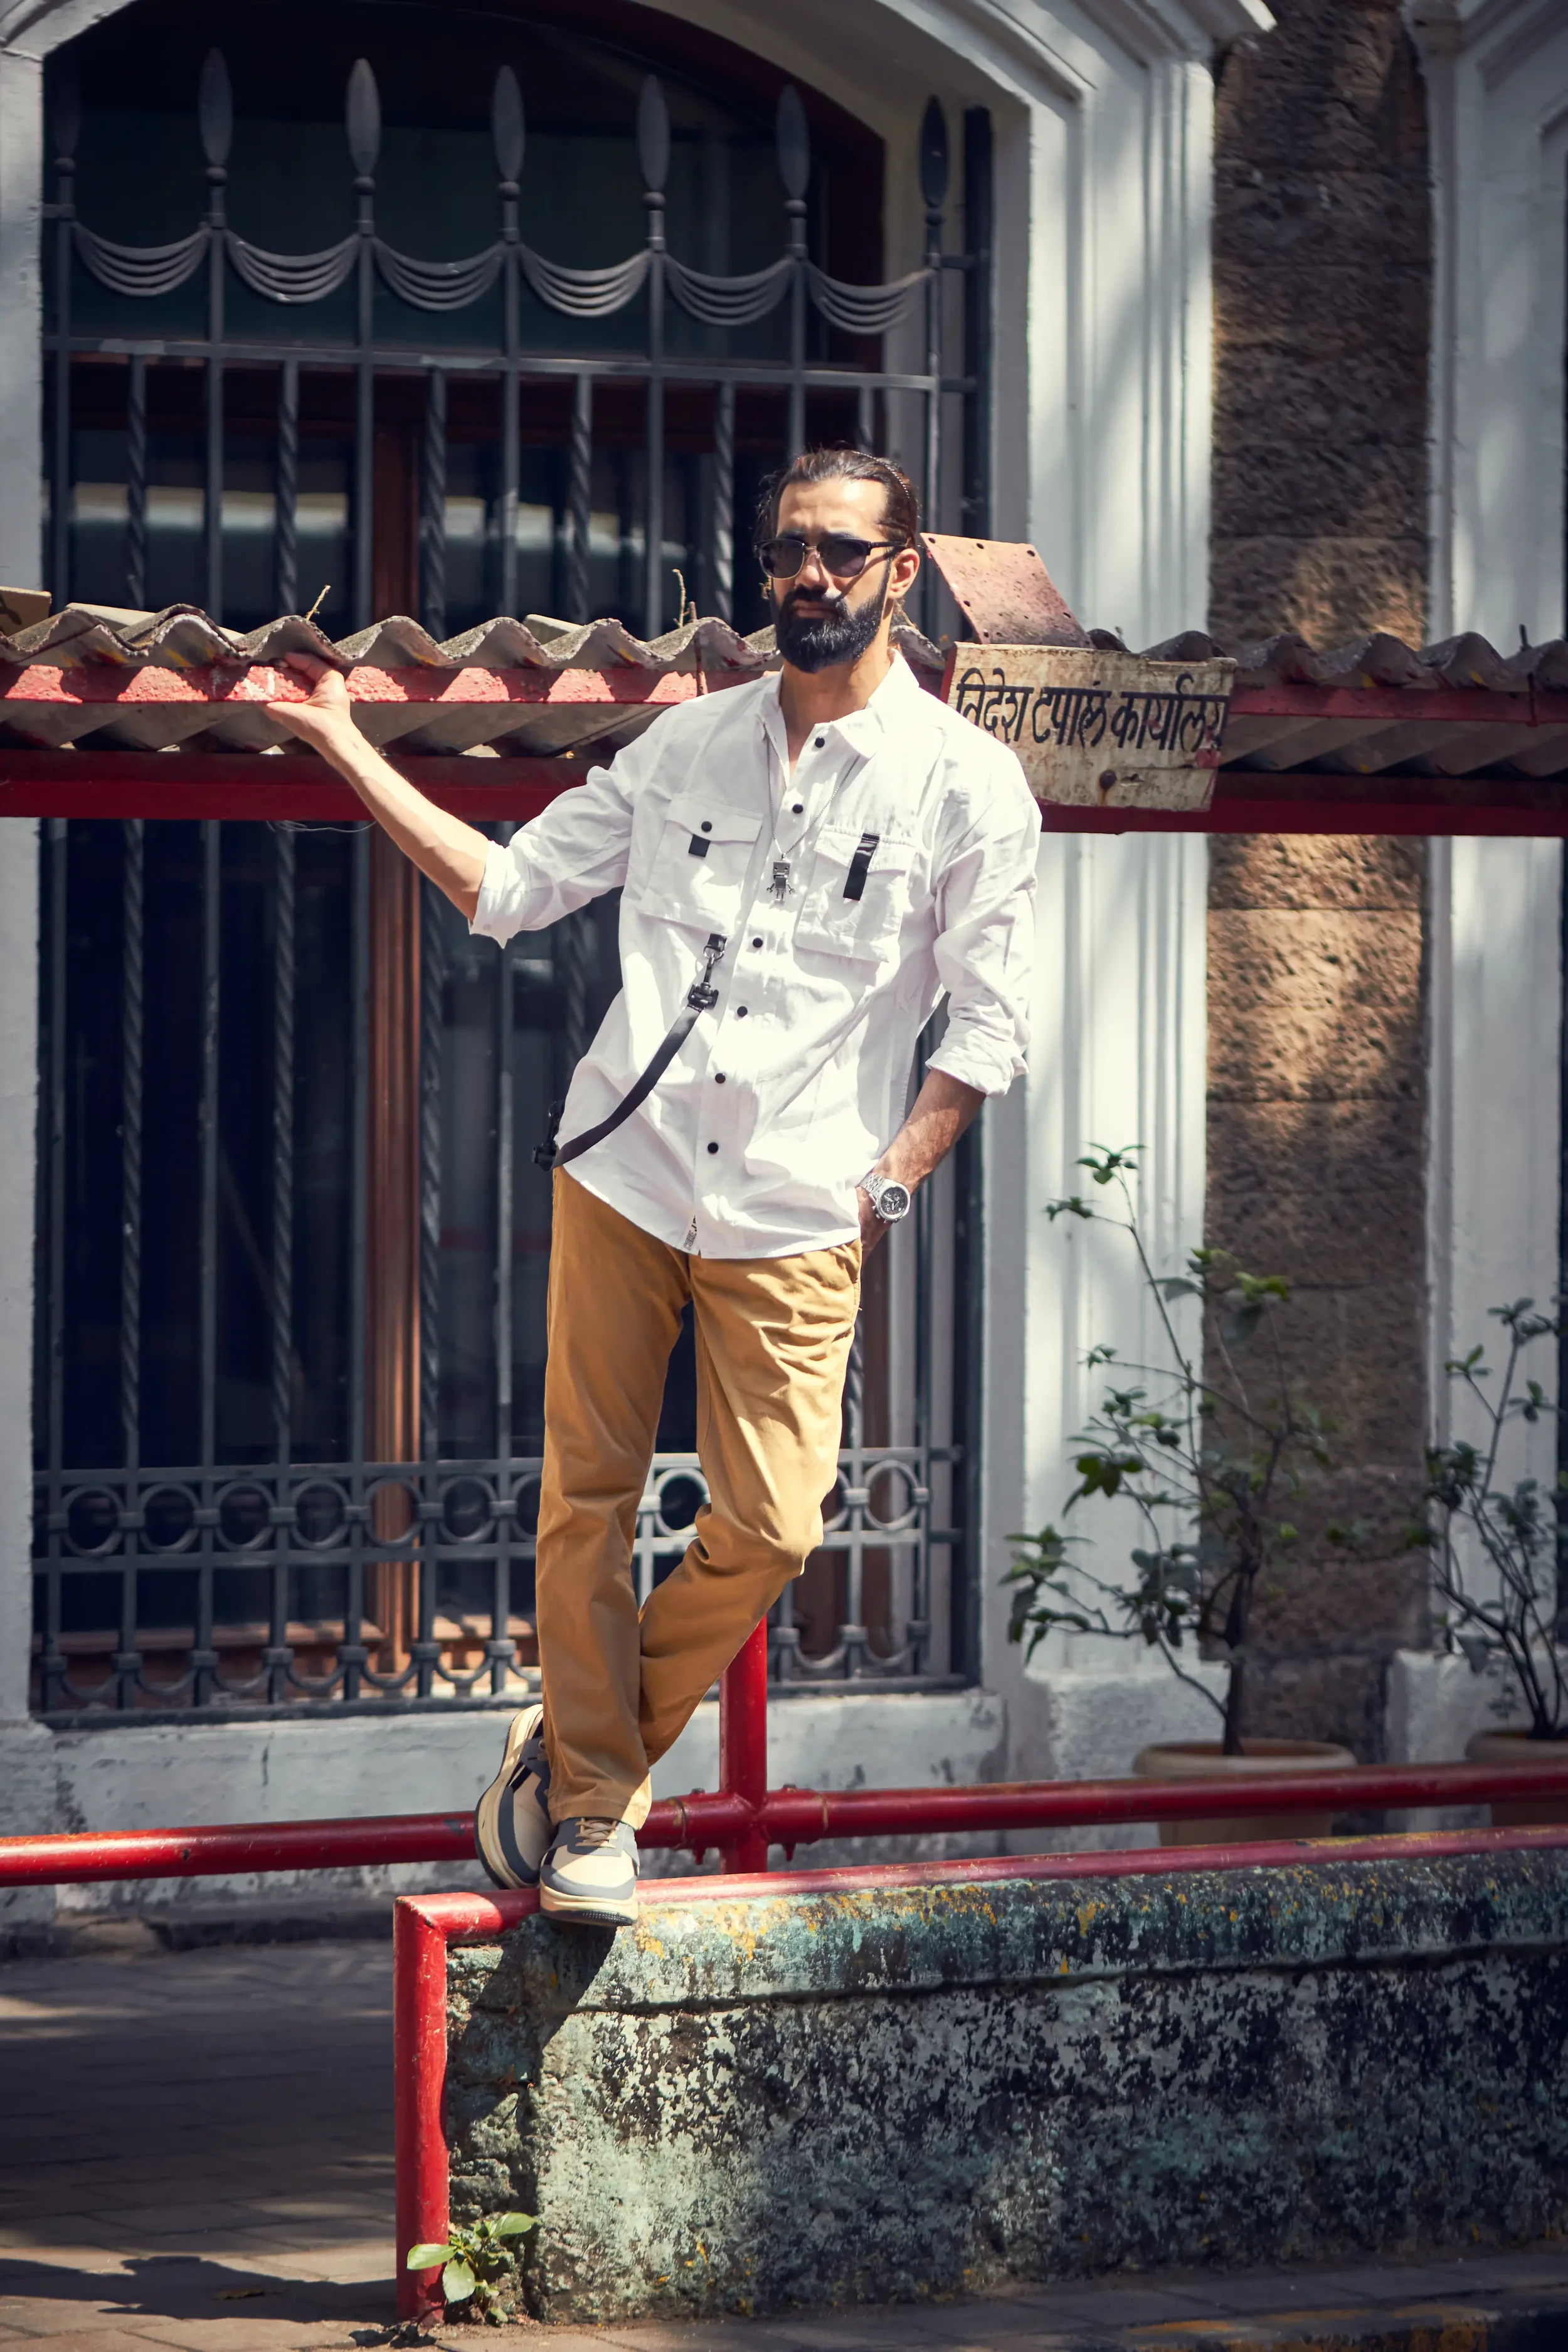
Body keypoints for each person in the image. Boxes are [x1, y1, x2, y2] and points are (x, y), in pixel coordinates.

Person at [270, 447, 1038, 1928]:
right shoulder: (682, 748)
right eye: (785, 553)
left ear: (898, 569)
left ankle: (566, 1755)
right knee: (586, 1500)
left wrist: (884, 1191)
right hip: (620, 1172)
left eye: (836, 552)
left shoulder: (967, 783)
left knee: (775, 1523)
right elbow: (503, 893)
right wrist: (342, 742)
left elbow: (987, 1028)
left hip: (802, 1212)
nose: (805, 577)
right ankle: (597, 1820)